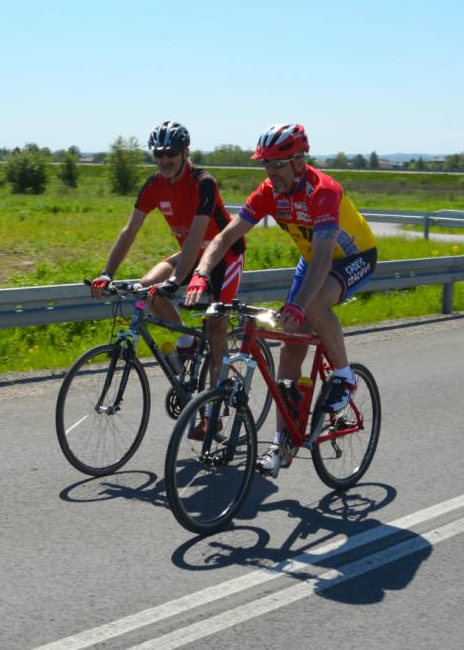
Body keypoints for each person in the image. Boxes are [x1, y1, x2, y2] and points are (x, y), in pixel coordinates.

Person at [184, 123, 377, 475]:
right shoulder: (269, 192)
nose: (270, 173)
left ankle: (345, 375)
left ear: (299, 162)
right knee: (290, 345)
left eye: (276, 165)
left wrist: (298, 305)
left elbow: (324, 260)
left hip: (352, 257)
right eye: (266, 165)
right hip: (312, 260)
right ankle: (280, 442)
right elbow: (225, 237)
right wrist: (201, 272)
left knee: (313, 306)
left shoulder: (323, 192)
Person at [91, 120, 246, 439]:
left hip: (224, 257)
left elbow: (197, 237)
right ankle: (187, 344)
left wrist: (176, 280)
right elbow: (130, 230)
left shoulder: (203, 182)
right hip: (191, 254)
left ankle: (212, 413)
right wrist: (107, 272)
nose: (164, 160)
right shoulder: (154, 185)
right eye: (159, 154)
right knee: (146, 291)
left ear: (185, 152)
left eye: (171, 153)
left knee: (216, 326)